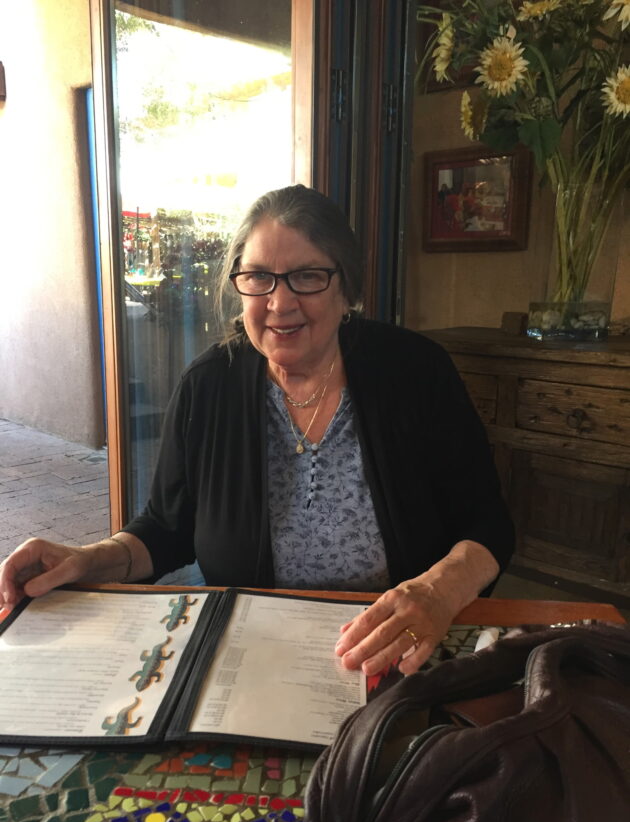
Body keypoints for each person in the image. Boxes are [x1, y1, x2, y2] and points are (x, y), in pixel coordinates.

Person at [0, 184, 514, 677]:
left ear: (346, 287)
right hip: (251, 658)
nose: (280, 302)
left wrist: (438, 592)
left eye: (307, 276)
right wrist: (84, 561)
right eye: (259, 277)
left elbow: (488, 523)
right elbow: (165, 529)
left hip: (398, 652)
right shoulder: (207, 387)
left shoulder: (416, 372)